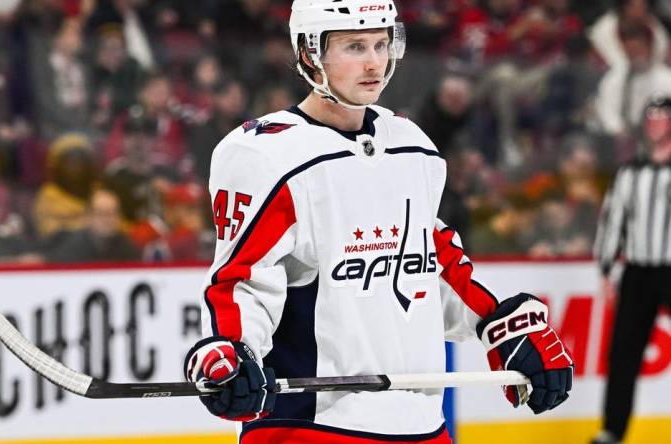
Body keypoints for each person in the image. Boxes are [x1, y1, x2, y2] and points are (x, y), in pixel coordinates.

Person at [183, 2, 574, 443]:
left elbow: (430, 259)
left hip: (423, 425)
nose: (374, 62)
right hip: (313, 426)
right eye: (354, 46)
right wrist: (231, 350)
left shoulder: (411, 145)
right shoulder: (267, 155)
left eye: (381, 44)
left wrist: (499, 325)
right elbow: (243, 281)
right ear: (310, 54)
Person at [592, 96, 671, 444]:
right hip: (638, 272)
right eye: (650, 117)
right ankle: (613, 429)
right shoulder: (629, 173)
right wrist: (607, 270)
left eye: (661, 117)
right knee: (622, 353)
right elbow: (613, 222)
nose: (654, 123)